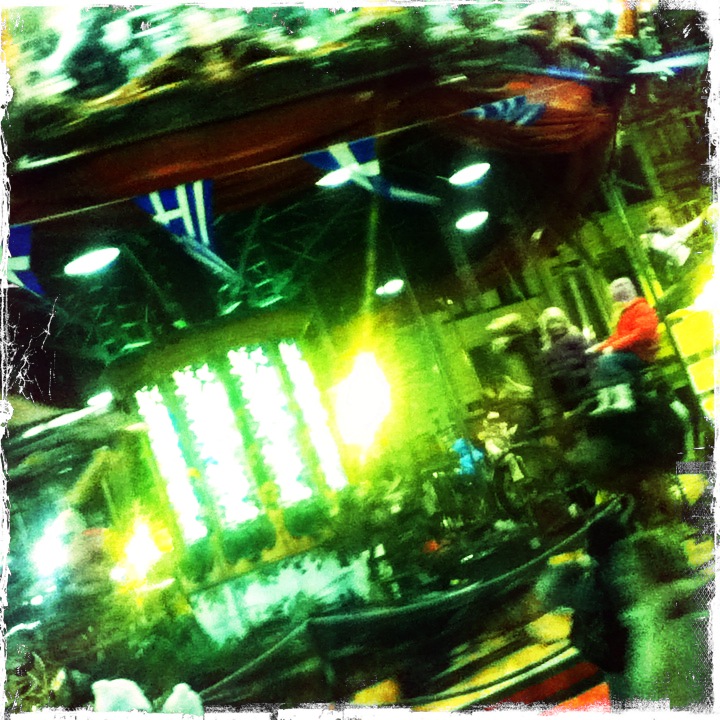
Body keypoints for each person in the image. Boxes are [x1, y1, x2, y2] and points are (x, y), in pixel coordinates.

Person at [586, 277, 659, 414]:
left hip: (642, 353)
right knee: (596, 362)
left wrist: (614, 347)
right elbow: (619, 336)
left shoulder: (641, 308)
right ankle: (605, 401)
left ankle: (625, 398)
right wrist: (600, 347)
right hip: (631, 351)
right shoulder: (626, 311)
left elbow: (642, 333)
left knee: (608, 360)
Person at [538, 307, 594, 413]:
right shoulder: (547, 346)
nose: (556, 326)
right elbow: (546, 366)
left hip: (578, 376)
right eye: (551, 323)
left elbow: (587, 355)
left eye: (558, 321)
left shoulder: (574, 336)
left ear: (565, 321)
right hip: (561, 383)